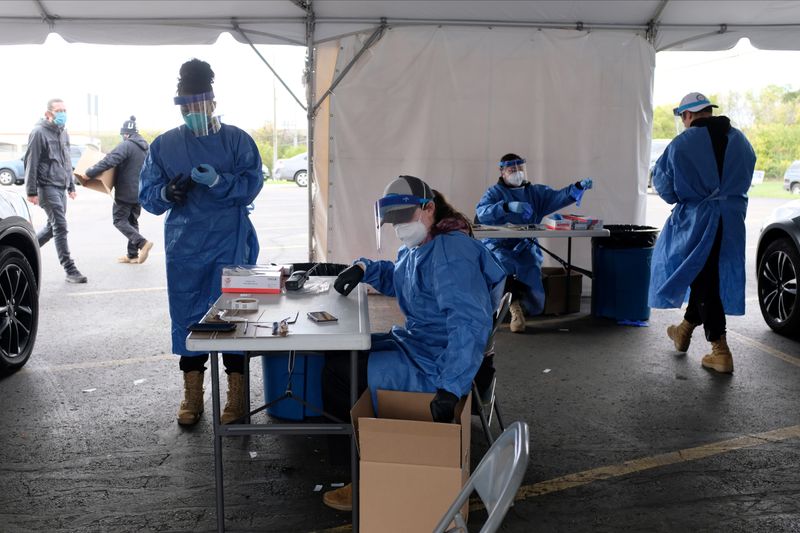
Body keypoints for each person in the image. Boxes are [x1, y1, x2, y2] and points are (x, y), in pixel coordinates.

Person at [321, 175, 507, 511]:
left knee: (341, 372)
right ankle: (360, 456)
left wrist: (451, 387)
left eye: (405, 217)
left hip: (444, 364)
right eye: (393, 221)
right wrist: (365, 269)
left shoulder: (452, 251)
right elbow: (404, 280)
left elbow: (469, 323)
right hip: (423, 347)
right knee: (343, 355)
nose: (400, 227)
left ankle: (361, 473)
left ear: (429, 208)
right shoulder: (424, 244)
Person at [139, 59, 263, 425]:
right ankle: (193, 397)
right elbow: (148, 197)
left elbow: (251, 184)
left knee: (233, 318)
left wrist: (217, 181)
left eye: (199, 105)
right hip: (186, 247)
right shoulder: (164, 145)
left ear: (212, 102)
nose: (194, 112)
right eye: (186, 106)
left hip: (230, 243)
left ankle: (236, 399)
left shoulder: (237, 140)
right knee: (189, 320)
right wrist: (168, 191)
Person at [649, 92, 755, 374]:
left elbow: (665, 187)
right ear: (709, 111)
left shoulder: (682, 143)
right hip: (731, 221)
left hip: (698, 220)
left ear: (687, 115)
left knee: (704, 277)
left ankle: (720, 349)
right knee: (705, 273)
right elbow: (746, 175)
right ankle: (683, 330)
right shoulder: (741, 141)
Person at [475, 154, 593, 332]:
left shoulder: (536, 193)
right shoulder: (494, 193)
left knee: (530, 269)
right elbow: (481, 213)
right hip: (498, 244)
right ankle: (514, 308)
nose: (518, 173)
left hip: (525, 245)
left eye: (520, 169)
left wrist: (577, 187)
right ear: (502, 172)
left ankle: (524, 305)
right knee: (502, 266)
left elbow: (558, 197)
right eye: (512, 170)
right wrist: (506, 207)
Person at [24, 98, 87, 284]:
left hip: (61, 186)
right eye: (59, 110)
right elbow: (31, 162)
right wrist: (31, 191)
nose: (62, 113)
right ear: (48, 113)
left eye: (65, 110)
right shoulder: (38, 133)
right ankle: (70, 269)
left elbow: (66, 161)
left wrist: (71, 185)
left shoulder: (63, 133)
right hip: (46, 187)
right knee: (60, 226)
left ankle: (24, 251)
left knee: (52, 228)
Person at [85, 116, 154, 264]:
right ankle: (132, 255)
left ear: (126, 134)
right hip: (140, 192)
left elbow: (109, 160)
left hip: (125, 192)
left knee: (119, 220)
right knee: (132, 221)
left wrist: (89, 172)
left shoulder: (127, 145)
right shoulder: (145, 147)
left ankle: (143, 243)